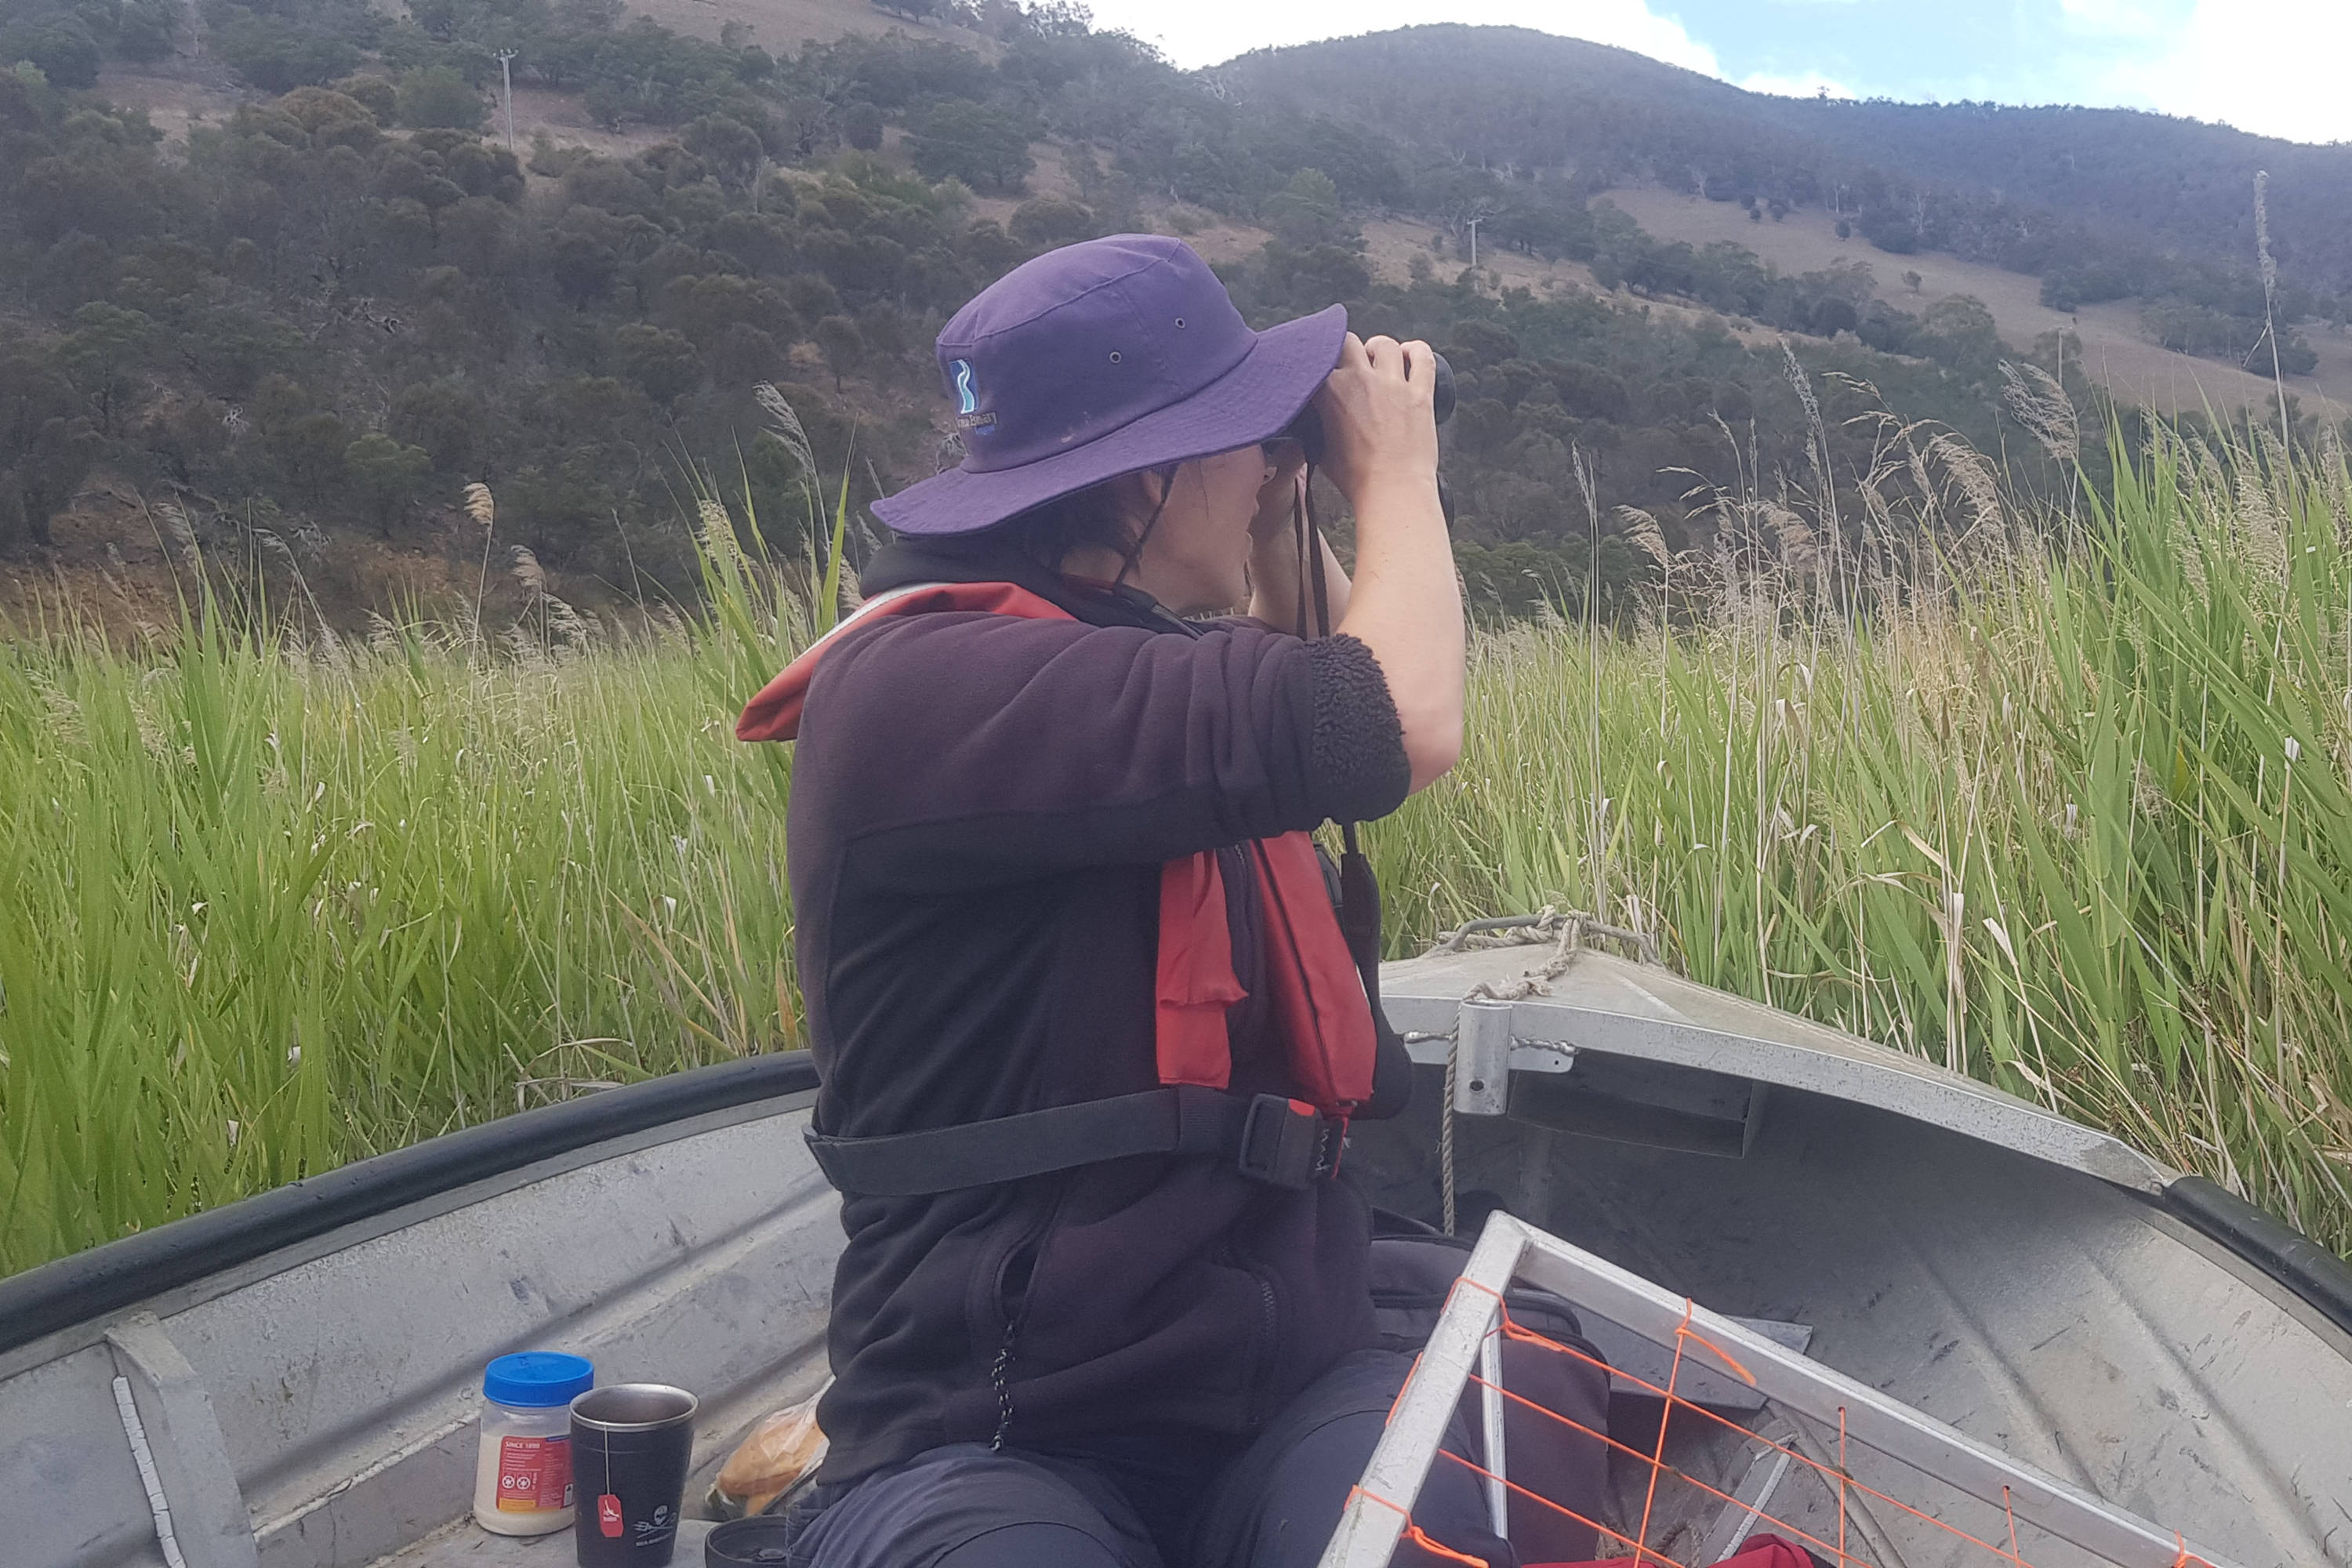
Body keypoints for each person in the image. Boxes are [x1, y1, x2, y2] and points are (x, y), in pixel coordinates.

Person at [737, 234, 1483, 1567]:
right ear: (1144, 477)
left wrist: (1274, 503)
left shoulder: (1103, 658)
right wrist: (1399, 471)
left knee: (1443, 1521)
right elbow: (1397, 718)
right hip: (997, 1426)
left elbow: (1312, 676)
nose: (1268, 457)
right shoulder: (927, 695)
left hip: (1288, 1374)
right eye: (1242, 438)